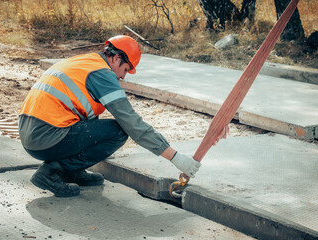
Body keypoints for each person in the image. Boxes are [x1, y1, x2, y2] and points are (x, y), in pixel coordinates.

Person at [19, 35, 227, 197]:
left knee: (95, 123)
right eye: (125, 69)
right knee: (118, 131)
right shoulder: (102, 74)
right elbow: (131, 123)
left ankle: (72, 171)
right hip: (47, 138)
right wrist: (175, 157)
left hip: (32, 133)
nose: (123, 76)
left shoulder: (86, 62)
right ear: (116, 58)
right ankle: (52, 173)